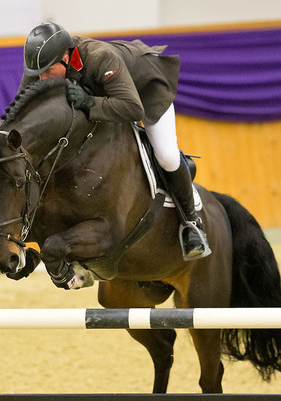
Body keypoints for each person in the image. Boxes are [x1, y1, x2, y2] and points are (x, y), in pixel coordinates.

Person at [20, 22, 211, 260]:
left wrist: (90, 103)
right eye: (37, 73)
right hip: (109, 97)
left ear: (66, 58)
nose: (42, 78)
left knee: (166, 155)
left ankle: (192, 222)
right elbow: (22, 108)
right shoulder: (43, 68)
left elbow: (133, 108)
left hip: (145, 95)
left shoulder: (101, 58)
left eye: (48, 71)